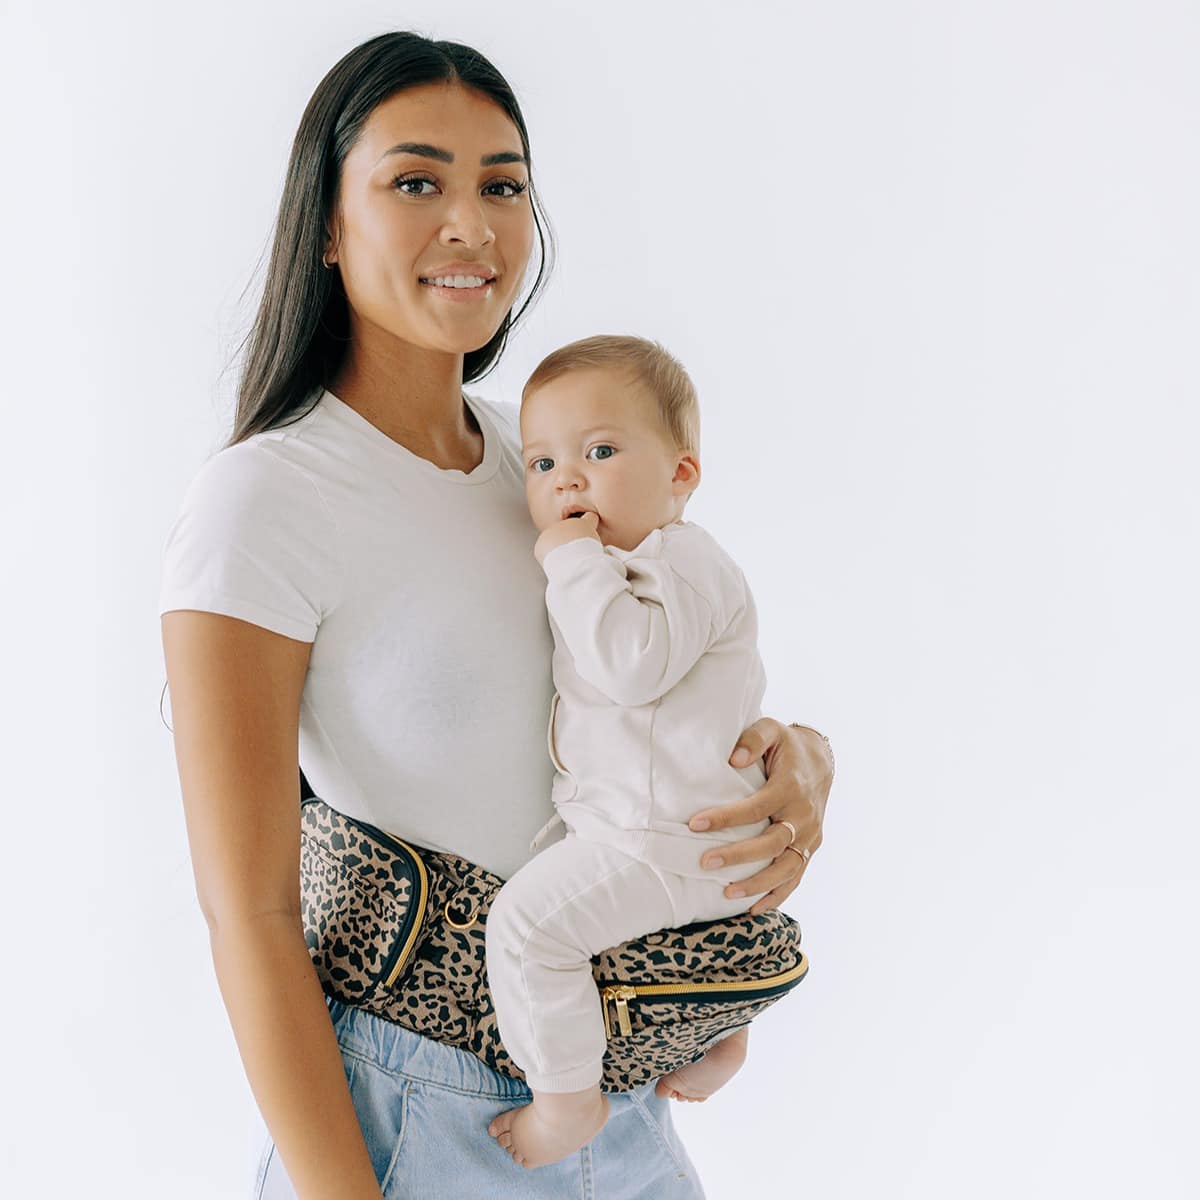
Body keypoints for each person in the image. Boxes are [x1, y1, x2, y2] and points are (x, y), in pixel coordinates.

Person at [158, 31, 833, 1200]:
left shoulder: (550, 461)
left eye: (503, 186)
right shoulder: (264, 500)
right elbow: (251, 916)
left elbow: (666, 666)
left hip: (611, 1093)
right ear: (328, 225)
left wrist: (799, 758)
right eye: (417, 182)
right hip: (411, 1114)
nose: (470, 224)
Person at [484, 334, 788, 1169]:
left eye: (600, 452)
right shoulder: (643, 564)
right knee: (669, 946)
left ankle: (567, 1102)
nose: (567, 481)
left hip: (663, 841)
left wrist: (571, 559)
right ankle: (720, 1040)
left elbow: (630, 666)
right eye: (542, 463)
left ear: (681, 474)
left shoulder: (682, 561)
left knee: (528, 930)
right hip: (688, 844)